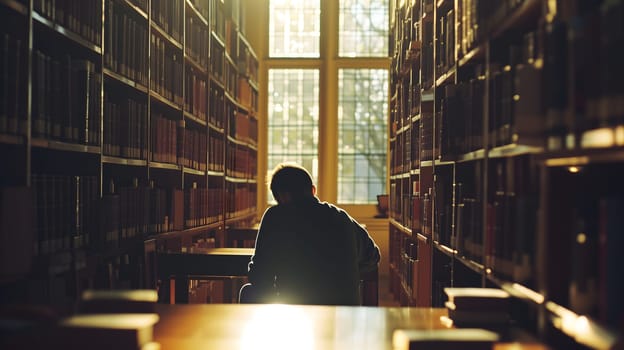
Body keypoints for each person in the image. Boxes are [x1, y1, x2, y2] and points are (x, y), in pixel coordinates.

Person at [239, 162, 381, 305]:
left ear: (281, 197)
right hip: (343, 315)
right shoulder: (340, 216)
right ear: (313, 190)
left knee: (249, 292)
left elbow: (259, 277)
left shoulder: (276, 216)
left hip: (298, 313)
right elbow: (373, 256)